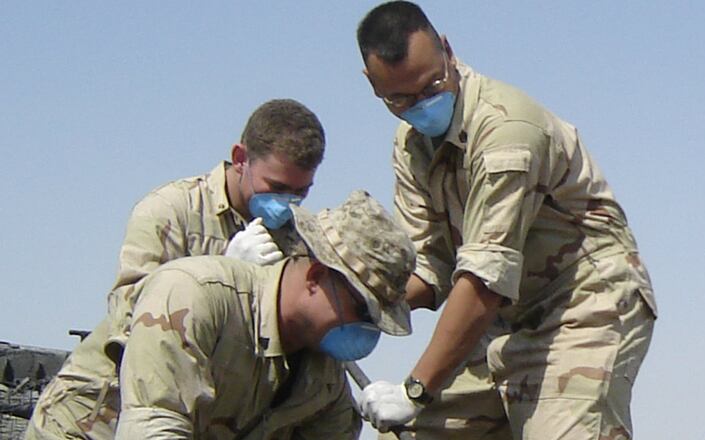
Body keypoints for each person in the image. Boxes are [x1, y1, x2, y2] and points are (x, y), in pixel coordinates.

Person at [355, 2, 658, 440]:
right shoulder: (411, 147)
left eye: (432, 84)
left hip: (581, 309)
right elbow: (429, 267)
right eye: (401, 99)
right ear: (373, 85)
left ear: (447, 50)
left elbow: (485, 280)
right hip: (502, 325)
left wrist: (416, 389)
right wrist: (357, 300)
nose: (423, 105)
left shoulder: (506, 131)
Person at [26, 99, 326, 439]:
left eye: (301, 192)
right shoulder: (171, 211)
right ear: (240, 158)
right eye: (277, 188)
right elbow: (130, 319)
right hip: (96, 418)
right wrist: (227, 273)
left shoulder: (297, 242)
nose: (288, 202)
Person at [114, 190, 416, 439]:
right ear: (315, 277)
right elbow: (152, 430)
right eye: (363, 311)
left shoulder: (325, 382)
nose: (366, 330)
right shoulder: (191, 296)